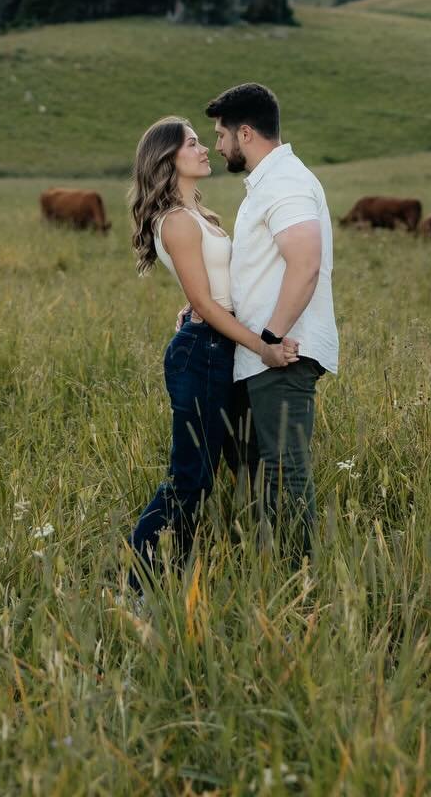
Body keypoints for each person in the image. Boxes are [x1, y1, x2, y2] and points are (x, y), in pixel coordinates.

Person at [127, 117, 300, 586]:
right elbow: (205, 303)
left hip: (218, 345)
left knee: (235, 467)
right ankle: (139, 582)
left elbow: (209, 291)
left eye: (202, 142)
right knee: (191, 478)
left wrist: (203, 307)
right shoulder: (177, 222)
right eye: (192, 143)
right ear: (167, 158)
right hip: (202, 352)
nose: (204, 148)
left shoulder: (199, 216)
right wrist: (263, 347)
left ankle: (241, 563)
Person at [206, 82, 338, 561]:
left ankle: (301, 578)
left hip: (283, 354)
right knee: (261, 469)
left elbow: (305, 262)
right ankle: (269, 566)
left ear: (245, 133)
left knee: (286, 471)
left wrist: (270, 339)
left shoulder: (285, 182)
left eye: (221, 135)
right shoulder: (269, 183)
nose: (217, 146)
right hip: (263, 355)